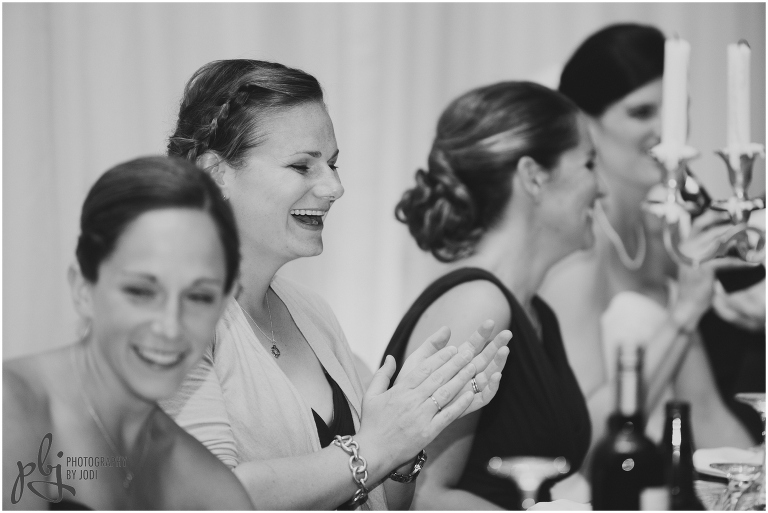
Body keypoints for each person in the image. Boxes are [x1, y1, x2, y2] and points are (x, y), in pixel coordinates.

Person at [161, 59, 512, 510]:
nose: (334, 186)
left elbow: (378, 498)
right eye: (302, 166)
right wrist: (376, 445)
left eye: (332, 164)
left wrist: (412, 433)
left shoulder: (311, 313)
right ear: (215, 174)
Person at [381, 80, 602, 509]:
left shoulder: (537, 313)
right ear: (534, 177)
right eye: (590, 164)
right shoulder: (478, 306)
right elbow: (420, 498)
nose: (603, 188)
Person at [540, 23, 754, 455]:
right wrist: (685, 309)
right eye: (641, 113)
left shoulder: (664, 235)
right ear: (584, 122)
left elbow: (704, 411)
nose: (666, 132)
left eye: (674, 109)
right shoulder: (577, 253)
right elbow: (581, 437)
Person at [3, 156, 254, 510]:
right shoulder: (11, 410)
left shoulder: (211, 492)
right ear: (83, 288)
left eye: (199, 297)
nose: (170, 326)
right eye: (140, 291)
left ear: (224, 304)